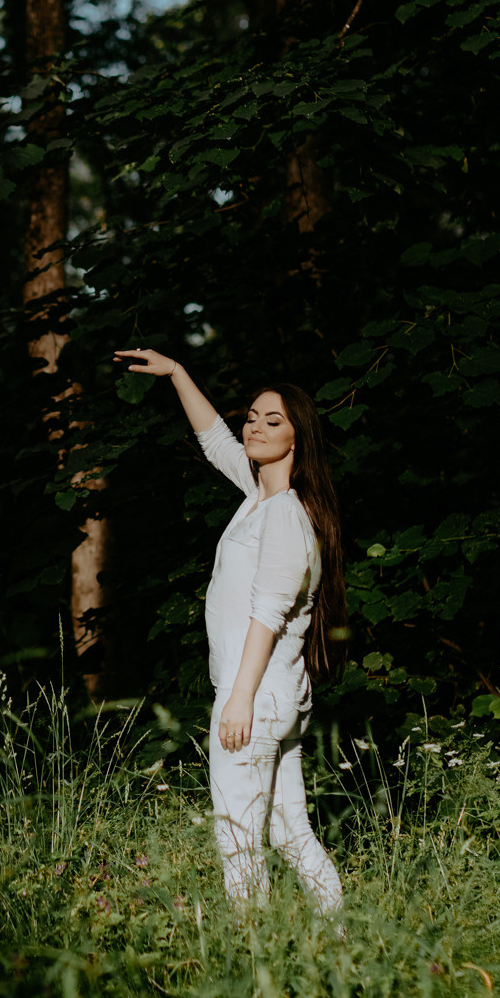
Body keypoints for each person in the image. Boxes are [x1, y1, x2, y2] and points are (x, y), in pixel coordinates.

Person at [115, 348, 344, 912]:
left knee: (239, 843)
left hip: (255, 695)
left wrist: (236, 700)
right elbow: (217, 441)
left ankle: (253, 960)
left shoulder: (287, 514)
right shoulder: (260, 499)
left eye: (274, 421)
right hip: (275, 695)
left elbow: (267, 613)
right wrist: (177, 374)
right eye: (252, 417)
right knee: (291, 835)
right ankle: (343, 942)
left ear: (298, 439)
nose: (256, 427)